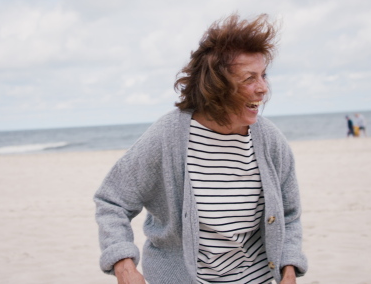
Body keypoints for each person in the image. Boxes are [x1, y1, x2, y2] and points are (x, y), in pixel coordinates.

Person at [94, 14, 307, 284]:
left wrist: (289, 269)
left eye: (263, 75)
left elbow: (289, 215)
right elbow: (112, 200)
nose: (263, 88)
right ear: (216, 86)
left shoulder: (270, 141)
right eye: (249, 79)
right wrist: (123, 265)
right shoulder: (168, 137)